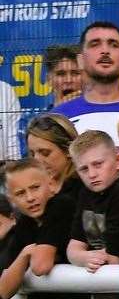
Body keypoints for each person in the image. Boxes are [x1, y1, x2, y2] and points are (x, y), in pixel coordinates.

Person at [65, 130, 119, 273]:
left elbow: (114, 258)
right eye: (84, 169)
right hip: (100, 276)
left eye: (98, 164)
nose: (92, 174)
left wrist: (84, 257)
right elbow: (73, 248)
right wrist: (85, 257)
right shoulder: (86, 191)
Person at [0, 159, 70, 298]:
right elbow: (4, 291)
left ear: (50, 184)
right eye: (20, 193)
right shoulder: (25, 222)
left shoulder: (62, 205)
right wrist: (25, 254)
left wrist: (28, 257)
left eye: (35, 187)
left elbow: (40, 266)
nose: (30, 198)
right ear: (11, 200)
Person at [24, 113, 81, 265]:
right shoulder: (29, 193)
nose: (37, 160)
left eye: (45, 153)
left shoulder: (84, 190)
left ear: (68, 150)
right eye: (32, 154)